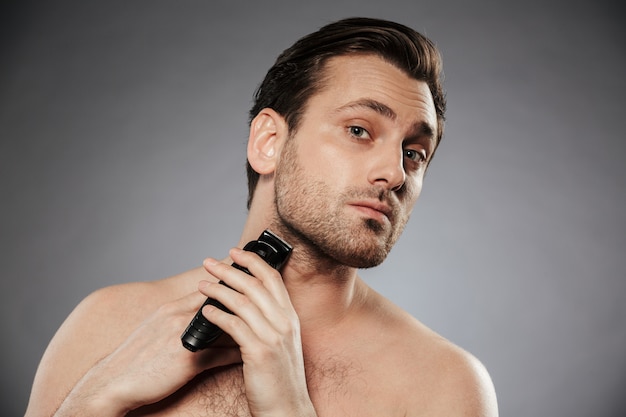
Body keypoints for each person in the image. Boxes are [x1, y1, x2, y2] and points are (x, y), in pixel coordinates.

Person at [25, 17, 498, 416]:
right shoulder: (107, 325)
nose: (394, 172)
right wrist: (94, 399)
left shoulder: (445, 388)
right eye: (359, 130)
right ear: (269, 142)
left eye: (414, 153)